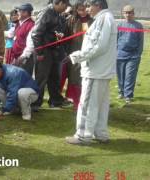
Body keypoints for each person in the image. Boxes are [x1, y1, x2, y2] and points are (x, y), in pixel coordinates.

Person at [65, 0, 117, 145]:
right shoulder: (105, 18)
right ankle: (100, 134)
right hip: (101, 70)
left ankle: (82, 135)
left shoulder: (103, 19)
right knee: (100, 105)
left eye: (89, 6)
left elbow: (98, 46)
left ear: (98, 5)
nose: (87, 9)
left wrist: (76, 56)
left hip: (95, 70)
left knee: (87, 104)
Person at [31, 0, 69, 110]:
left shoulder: (58, 14)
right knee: (41, 78)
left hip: (55, 50)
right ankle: (36, 103)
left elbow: (54, 30)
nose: (66, 8)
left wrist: (58, 35)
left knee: (55, 77)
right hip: (44, 51)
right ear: (60, 3)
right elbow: (36, 34)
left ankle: (55, 101)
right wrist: (40, 52)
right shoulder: (46, 13)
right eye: (65, 5)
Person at [62, 0, 93, 111]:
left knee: (87, 77)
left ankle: (87, 100)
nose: (82, 12)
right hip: (74, 53)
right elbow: (65, 37)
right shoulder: (71, 20)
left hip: (89, 53)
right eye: (80, 10)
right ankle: (76, 100)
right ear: (76, 10)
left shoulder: (93, 21)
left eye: (84, 9)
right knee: (75, 77)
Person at [117, 5, 144, 104]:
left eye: (130, 13)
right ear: (123, 14)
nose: (128, 15)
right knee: (120, 75)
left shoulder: (138, 26)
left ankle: (128, 95)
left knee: (130, 75)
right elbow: (116, 39)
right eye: (126, 13)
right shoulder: (119, 25)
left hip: (133, 56)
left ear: (133, 14)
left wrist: (138, 54)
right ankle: (121, 92)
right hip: (120, 54)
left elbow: (141, 41)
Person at [11, 3, 35, 75]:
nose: (17, 13)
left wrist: (22, 57)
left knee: (23, 80)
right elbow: (12, 34)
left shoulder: (31, 25)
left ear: (25, 13)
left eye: (19, 11)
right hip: (17, 57)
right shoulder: (20, 23)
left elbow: (31, 45)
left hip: (24, 59)